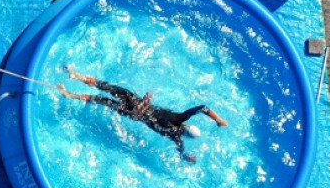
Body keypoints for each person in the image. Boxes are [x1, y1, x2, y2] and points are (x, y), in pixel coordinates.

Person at [57, 66, 228, 162]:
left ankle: (77, 76)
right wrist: (188, 158)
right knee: (102, 100)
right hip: (134, 115)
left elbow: (202, 108)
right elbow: (181, 152)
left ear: (189, 126)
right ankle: (69, 95)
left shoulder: (180, 118)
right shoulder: (176, 138)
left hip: (138, 103)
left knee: (108, 88)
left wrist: (218, 119)